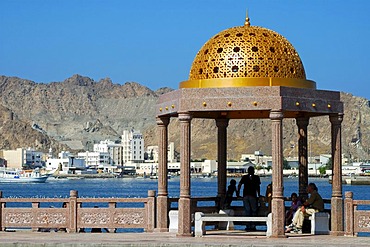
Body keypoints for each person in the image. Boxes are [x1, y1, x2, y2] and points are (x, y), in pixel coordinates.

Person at [237, 166, 261, 230]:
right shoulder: (256, 177)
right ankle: (252, 225)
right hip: (252, 195)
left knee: (247, 210)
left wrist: (238, 193)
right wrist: (259, 194)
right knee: (254, 210)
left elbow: (239, 185)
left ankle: (248, 225)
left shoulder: (244, 177)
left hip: (246, 195)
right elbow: (258, 187)